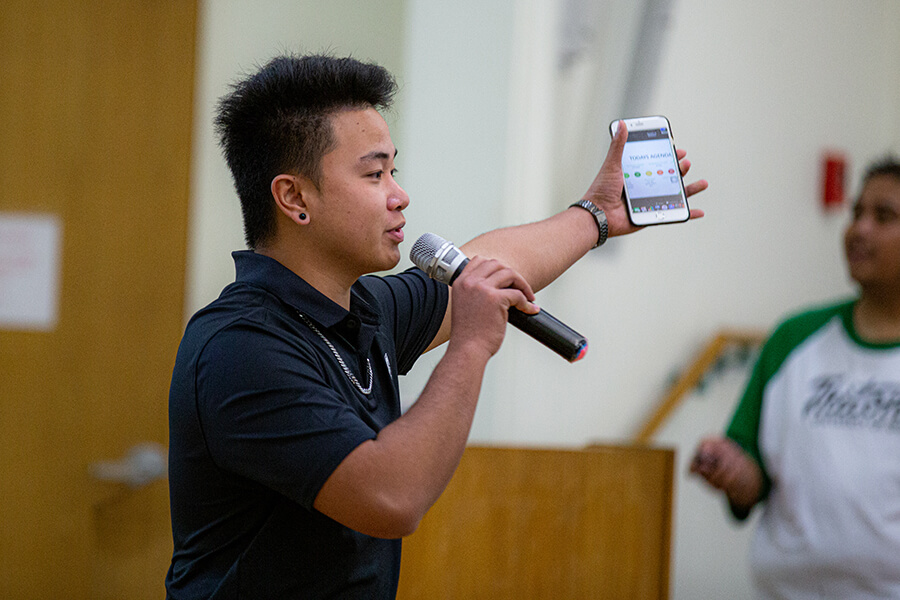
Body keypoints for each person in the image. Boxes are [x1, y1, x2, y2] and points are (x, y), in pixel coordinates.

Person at [165, 53, 706, 599]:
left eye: (393, 171)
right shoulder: (241, 347)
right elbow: (390, 497)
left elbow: (490, 262)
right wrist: (470, 346)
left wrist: (595, 215)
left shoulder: (360, 309)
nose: (399, 195)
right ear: (294, 198)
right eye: (374, 174)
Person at [690, 158, 900, 599]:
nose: (859, 230)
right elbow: (754, 482)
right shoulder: (794, 339)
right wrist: (731, 469)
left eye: (884, 217)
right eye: (856, 213)